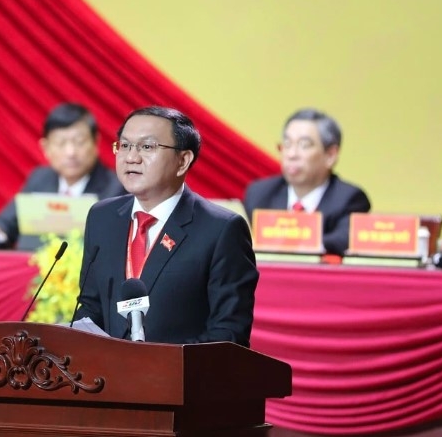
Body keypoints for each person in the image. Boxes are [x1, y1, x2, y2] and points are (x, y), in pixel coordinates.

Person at [72, 106, 258, 347]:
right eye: (125, 145)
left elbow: (229, 334)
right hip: (107, 379)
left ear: (183, 161)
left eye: (147, 147)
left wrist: (160, 365)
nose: (131, 157)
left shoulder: (222, 230)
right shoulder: (102, 217)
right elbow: (90, 307)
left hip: (180, 379)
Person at [0, 102, 125, 249]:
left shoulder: (116, 188)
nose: (70, 152)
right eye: (60, 143)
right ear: (46, 148)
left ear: (96, 142)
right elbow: (3, 226)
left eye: (79, 142)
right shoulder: (40, 178)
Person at [242, 108, 370, 255]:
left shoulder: (349, 199)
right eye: (287, 144)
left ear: (330, 155)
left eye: (304, 145)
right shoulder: (260, 194)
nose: (291, 154)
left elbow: (342, 240)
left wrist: (290, 241)